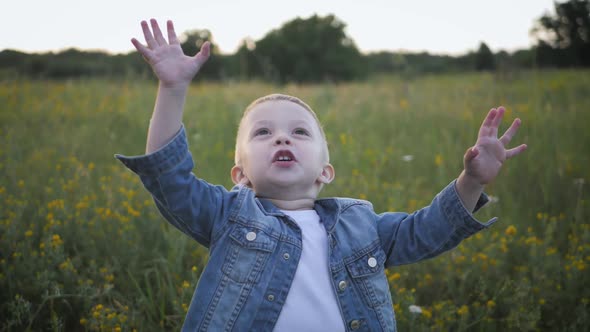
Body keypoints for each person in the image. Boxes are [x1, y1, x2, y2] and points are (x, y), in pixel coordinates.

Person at [116, 19, 527, 332]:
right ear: (240, 175)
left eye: (299, 132)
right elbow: (171, 180)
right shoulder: (228, 216)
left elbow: (427, 231)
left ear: (324, 172)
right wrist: (172, 90)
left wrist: (471, 181)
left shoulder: (361, 224)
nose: (282, 138)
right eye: (263, 133)